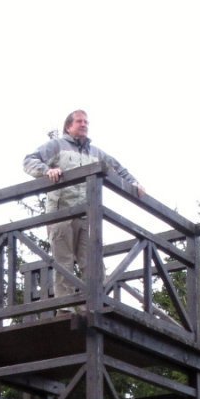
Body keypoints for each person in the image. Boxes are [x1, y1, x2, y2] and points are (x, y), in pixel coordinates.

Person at [23, 110, 145, 287]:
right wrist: (46, 170)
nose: (84, 125)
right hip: (61, 213)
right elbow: (29, 160)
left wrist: (134, 183)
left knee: (93, 262)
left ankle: (93, 305)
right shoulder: (57, 146)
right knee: (63, 263)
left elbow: (118, 169)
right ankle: (66, 307)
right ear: (68, 126)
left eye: (86, 122)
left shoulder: (96, 153)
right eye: (79, 121)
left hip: (87, 214)